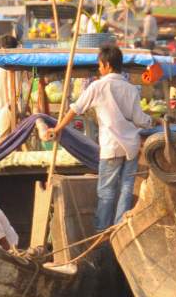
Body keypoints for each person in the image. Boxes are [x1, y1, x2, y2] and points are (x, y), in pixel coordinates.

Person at [42, 43, 152, 230]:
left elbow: (75, 109)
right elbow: (140, 120)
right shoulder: (131, 89)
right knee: (126, 189)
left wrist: (57, 128)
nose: (99, 69)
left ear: (107, 65)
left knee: (106, 192)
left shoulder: (98, 86)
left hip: (111, 147)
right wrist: (152, 122)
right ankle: (120, 229)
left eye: (100, 65)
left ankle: (101, 231)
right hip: (131, 147)